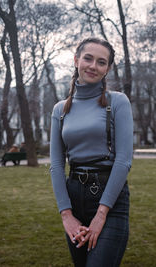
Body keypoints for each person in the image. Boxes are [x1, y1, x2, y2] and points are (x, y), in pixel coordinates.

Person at [50, 37, 133, 266]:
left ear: (107, 69)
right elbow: (57, 165)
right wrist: (66, 215)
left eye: (101, 62)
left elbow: (124, 161)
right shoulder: (60, 109)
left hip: (110, 198)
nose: (93, 66)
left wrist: (101, 214)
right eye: (88, 58)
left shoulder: (117, 102)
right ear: (76, 60)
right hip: (74, 197)